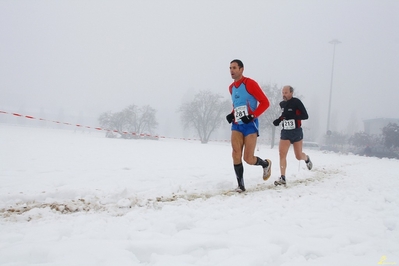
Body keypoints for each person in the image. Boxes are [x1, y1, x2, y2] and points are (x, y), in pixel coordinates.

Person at [226, 59, 272, 192]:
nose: (232, 71)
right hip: (237, 125)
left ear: (241, 69)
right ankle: (241, 185)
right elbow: (238, 105)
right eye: (230, 68)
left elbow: (265, 102)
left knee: (248, 158)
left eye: (234, 68)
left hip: (250, 125)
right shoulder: (231, 88)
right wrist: (232, 114)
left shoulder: (250, 84)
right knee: (235, 153)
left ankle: (265, 164)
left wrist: (253, 115)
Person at [272, 85, 313, 186]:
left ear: (291, 93)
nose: (284, 95)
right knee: (282, 154)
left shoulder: (296, 102)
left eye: (286, 93)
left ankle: (306, 158)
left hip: (296, 131)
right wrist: (278, 120)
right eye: (283, 93)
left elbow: (305, 116)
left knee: (298, 156)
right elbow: (284, 116)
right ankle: (283, 177)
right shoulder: (282, 104)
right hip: (286, 131)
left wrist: (293, 116)